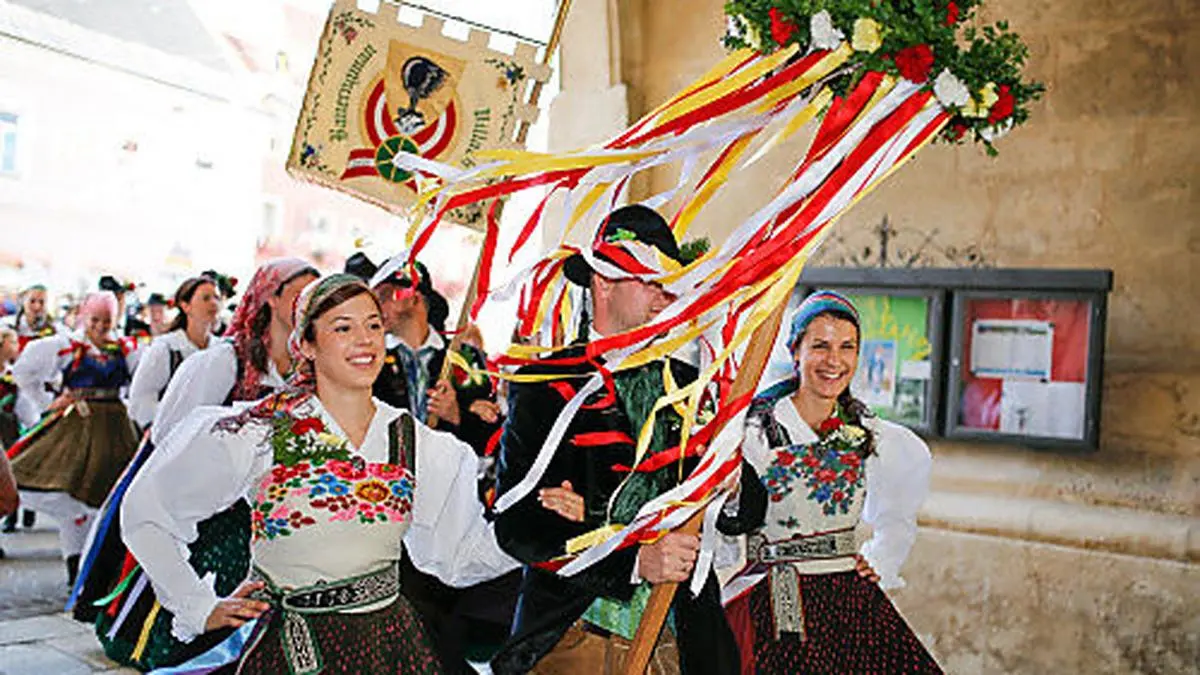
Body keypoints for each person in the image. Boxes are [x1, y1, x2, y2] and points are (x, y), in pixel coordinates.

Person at [121, 273, 520, 673]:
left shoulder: (414, 441)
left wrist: (547, 534)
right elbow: (147, 512)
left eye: (374, 325)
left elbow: (457, 557)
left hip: (390, 647)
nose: (365, 340)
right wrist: (197, 605)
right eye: (343, 327)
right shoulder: (262, 431)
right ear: (306, 344)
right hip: (289, 650)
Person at [491, 204, 766, 675]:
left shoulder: (693, 385)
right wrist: (636, 560)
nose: (664, 298)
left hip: (682, 643)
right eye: (650, 281)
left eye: (671, 286)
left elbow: (748, 514)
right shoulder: (545, 384)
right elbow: (519, 526)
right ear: (603, 281)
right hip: (575, 639)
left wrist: (732, 478)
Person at [72, 259, 318, 671]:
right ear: (271, 298)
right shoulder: (222, 361)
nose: (311, 302)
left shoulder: (307, 366)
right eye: (302, 291)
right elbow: (173, 435)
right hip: (211, 511)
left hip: (268, 512)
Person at [721, 290, 940, 673]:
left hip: (849, 600)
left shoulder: (869, 432)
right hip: (778, 595)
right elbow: (727, 518)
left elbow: (896, 515)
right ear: (795, 352)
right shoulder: (756, 431)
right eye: (820, 346)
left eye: (847, 347)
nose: (834, 360)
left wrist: (879, 561)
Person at [352, 252, 510, 671]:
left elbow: (493, 431)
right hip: (391, 506)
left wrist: (459, 417)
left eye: (385, 294)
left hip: (454, 506)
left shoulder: (466, 360)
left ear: (412, 296)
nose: (378, 305)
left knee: (448, 622)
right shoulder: (370, 360)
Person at [7, 292, 139, 585]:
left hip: (116, 428)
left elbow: (142, 383)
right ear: (83, 316)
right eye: (95, 319)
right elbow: (24, 372)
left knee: (110, 497)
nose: (101, 326)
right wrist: (47, 402)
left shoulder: (125, 349)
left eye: (107, 321)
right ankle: (75, 564)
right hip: (77, 425)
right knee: (70, 494)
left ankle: (95, 567)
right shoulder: (66, 346)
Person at [126, 277, 221, 431]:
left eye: (217, 298)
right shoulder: (166, 348)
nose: (214, 303)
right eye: (206, 298)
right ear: (186, 306)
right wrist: (160, 425)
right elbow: (141, 397)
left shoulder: (221, 349)